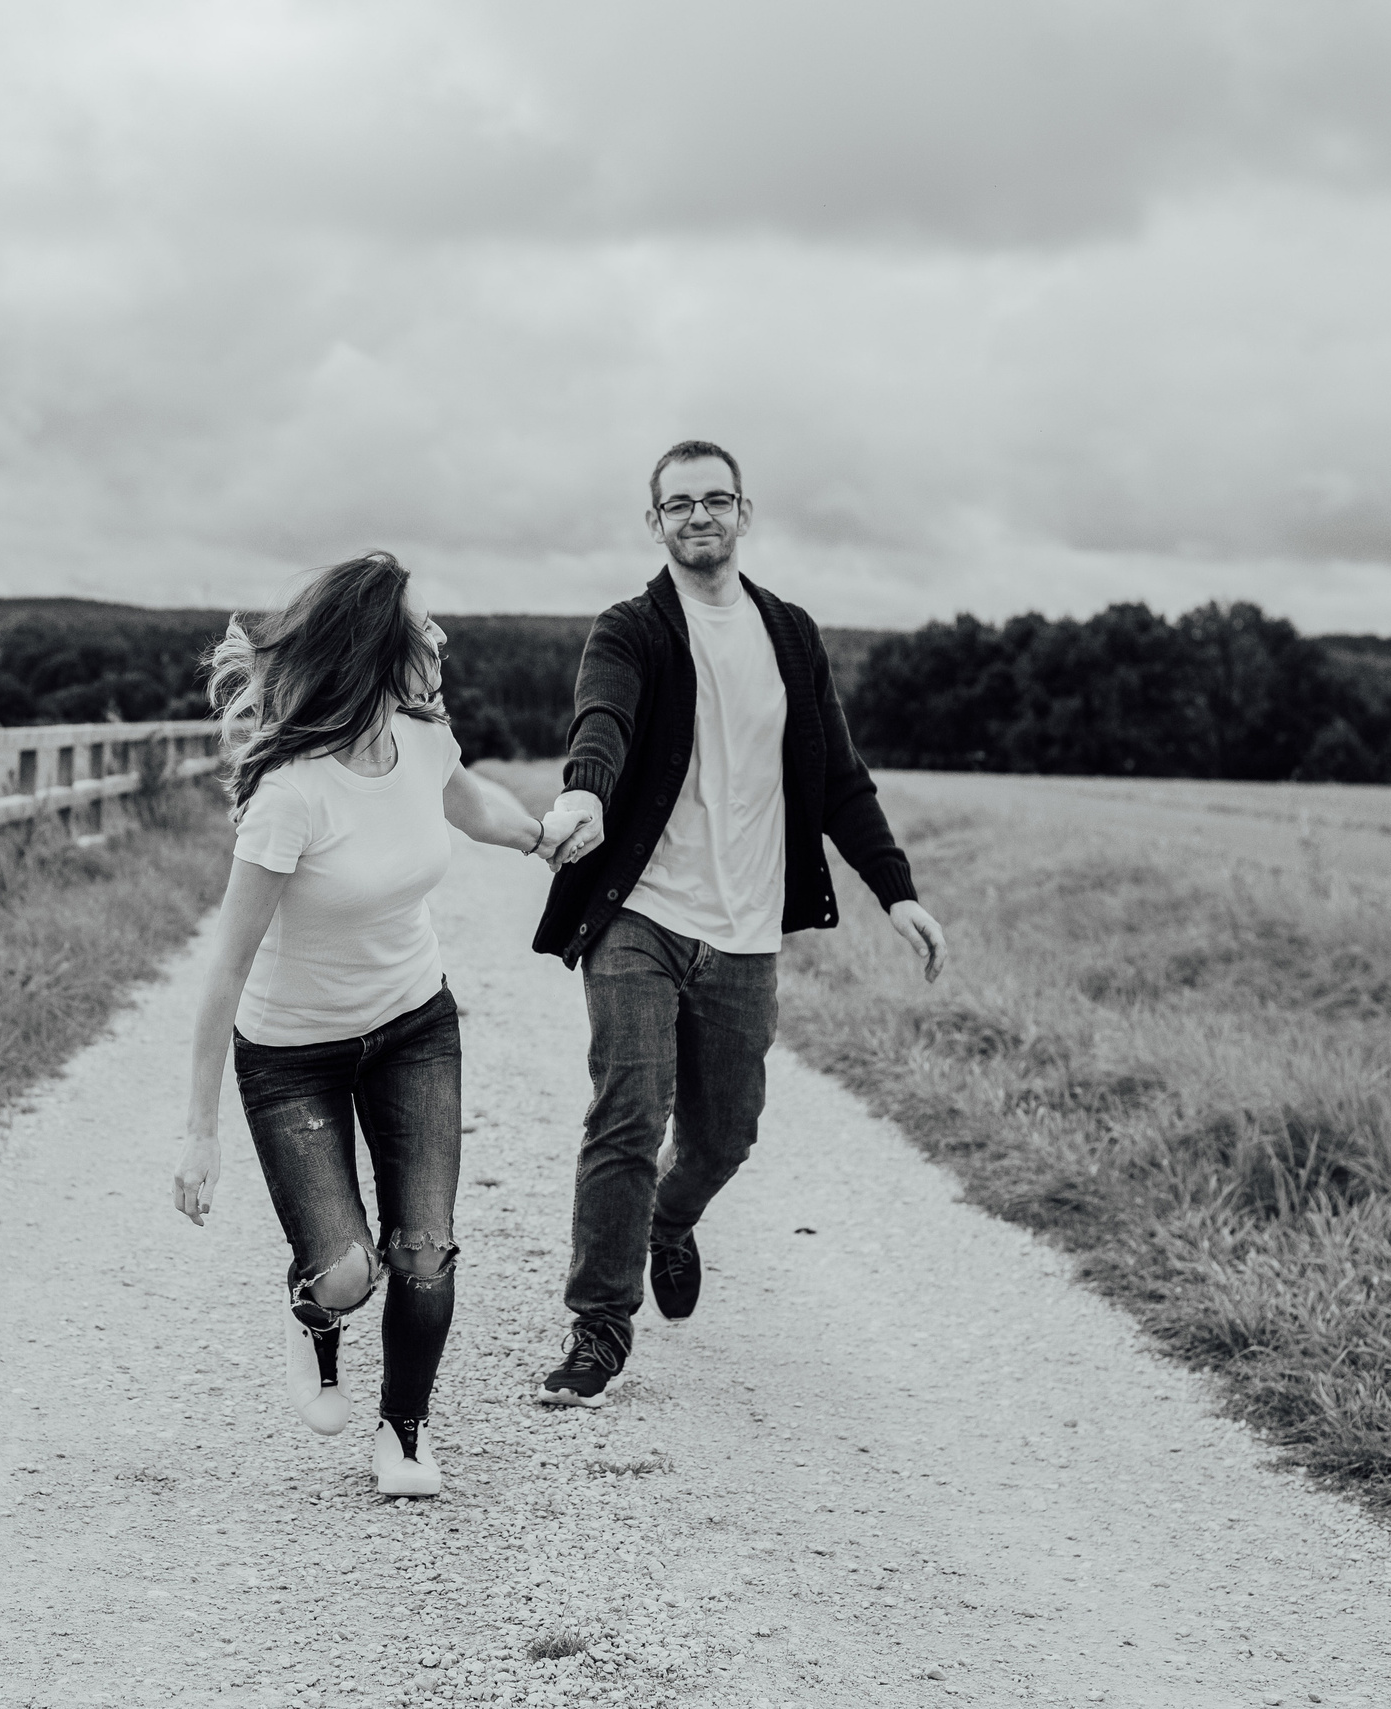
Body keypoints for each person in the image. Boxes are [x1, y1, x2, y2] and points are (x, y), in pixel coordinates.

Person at [528, 441, 949, 1407]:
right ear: (656, 524)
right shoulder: (630, 628)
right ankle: (599, 1323)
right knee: (628, 1112)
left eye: (715, 500)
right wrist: (587, 794)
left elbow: (840, 779)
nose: (698, 517)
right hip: (641, 911)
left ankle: (668, 1223)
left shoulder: (791, 636)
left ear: (744, 514)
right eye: (678, 505)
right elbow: (605, 718)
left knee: (725, 1136)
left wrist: (899, 890)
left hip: (748, 927)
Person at [172, 551, 557, 1496]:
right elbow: (223, 970)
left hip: (413, 1025)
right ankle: (315, 1314)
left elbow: (476, 811)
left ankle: (406, 1431)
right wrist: (198, 1131)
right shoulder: (291, 794)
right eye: (421, 628)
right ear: (377, 653)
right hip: (291, 1055)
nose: (439, 639)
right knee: (347, 1270)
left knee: (423, 1247)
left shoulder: (423, 740)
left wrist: (544, 837)